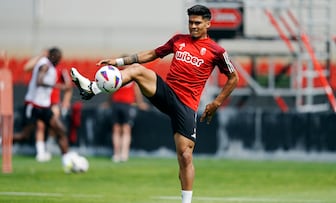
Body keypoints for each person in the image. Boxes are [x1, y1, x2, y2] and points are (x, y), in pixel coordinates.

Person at [70, 5, 239, 203]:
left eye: (197, 23)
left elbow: (233, 77)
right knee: (136, 69)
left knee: (185, 156)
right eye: (190, 22)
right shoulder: (178, 40)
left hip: (186, 106)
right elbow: (153, 54)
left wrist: (216, 103)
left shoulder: (217, 51)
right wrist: (117, 61)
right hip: (166, 93)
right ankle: (91, 88)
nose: (192, 26)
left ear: (208, 24)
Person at [13, 47, 72, 167]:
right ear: (52, 57)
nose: (59, 61)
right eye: (58, 58)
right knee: (24, 136)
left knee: (60, 130)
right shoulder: (45, 65)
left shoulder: (52, 67)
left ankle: (67, 161)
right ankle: (2, 140)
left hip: (44, 107)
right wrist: (57, 86)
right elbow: (39, 81)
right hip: (34, 105)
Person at [110, 76, 149, 163]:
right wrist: (108, 103)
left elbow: (136, 90)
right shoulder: (116, 74)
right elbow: (111, 89)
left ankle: (124, 154)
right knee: (116, 129)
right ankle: (116, 154)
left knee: (126, 129)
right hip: (116, 103)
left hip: (127, 104)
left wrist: (140, 103)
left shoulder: (132, 75)